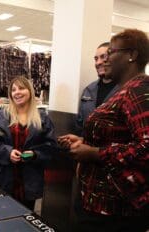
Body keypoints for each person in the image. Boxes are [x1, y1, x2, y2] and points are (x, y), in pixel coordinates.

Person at [58, 29, 149, 232]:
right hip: (99, 203)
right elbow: (119, 137)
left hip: (115, 210)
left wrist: (95, 153)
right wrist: (86, 142)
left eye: (112, 52)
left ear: (132, 55)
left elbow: (146, 148)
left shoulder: (139, 91)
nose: (105, 59)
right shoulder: (127, 89)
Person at [0, 76, 58, 210]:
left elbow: (51, 147)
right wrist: (7, 152)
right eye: (13, 90)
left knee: (25, 217)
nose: (17, 92)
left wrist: (35, 154)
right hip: (3, 177)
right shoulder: (1, 116)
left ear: (30, 91)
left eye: (21, 88)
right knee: (1, 216)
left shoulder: (42, 119)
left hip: (29, 181)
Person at [76, 42, 118, 134]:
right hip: (85, 146)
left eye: (103, 57)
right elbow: (80, 125)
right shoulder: (88, 90)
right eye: (96, 59)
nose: (98, 62)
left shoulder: (125, 90)